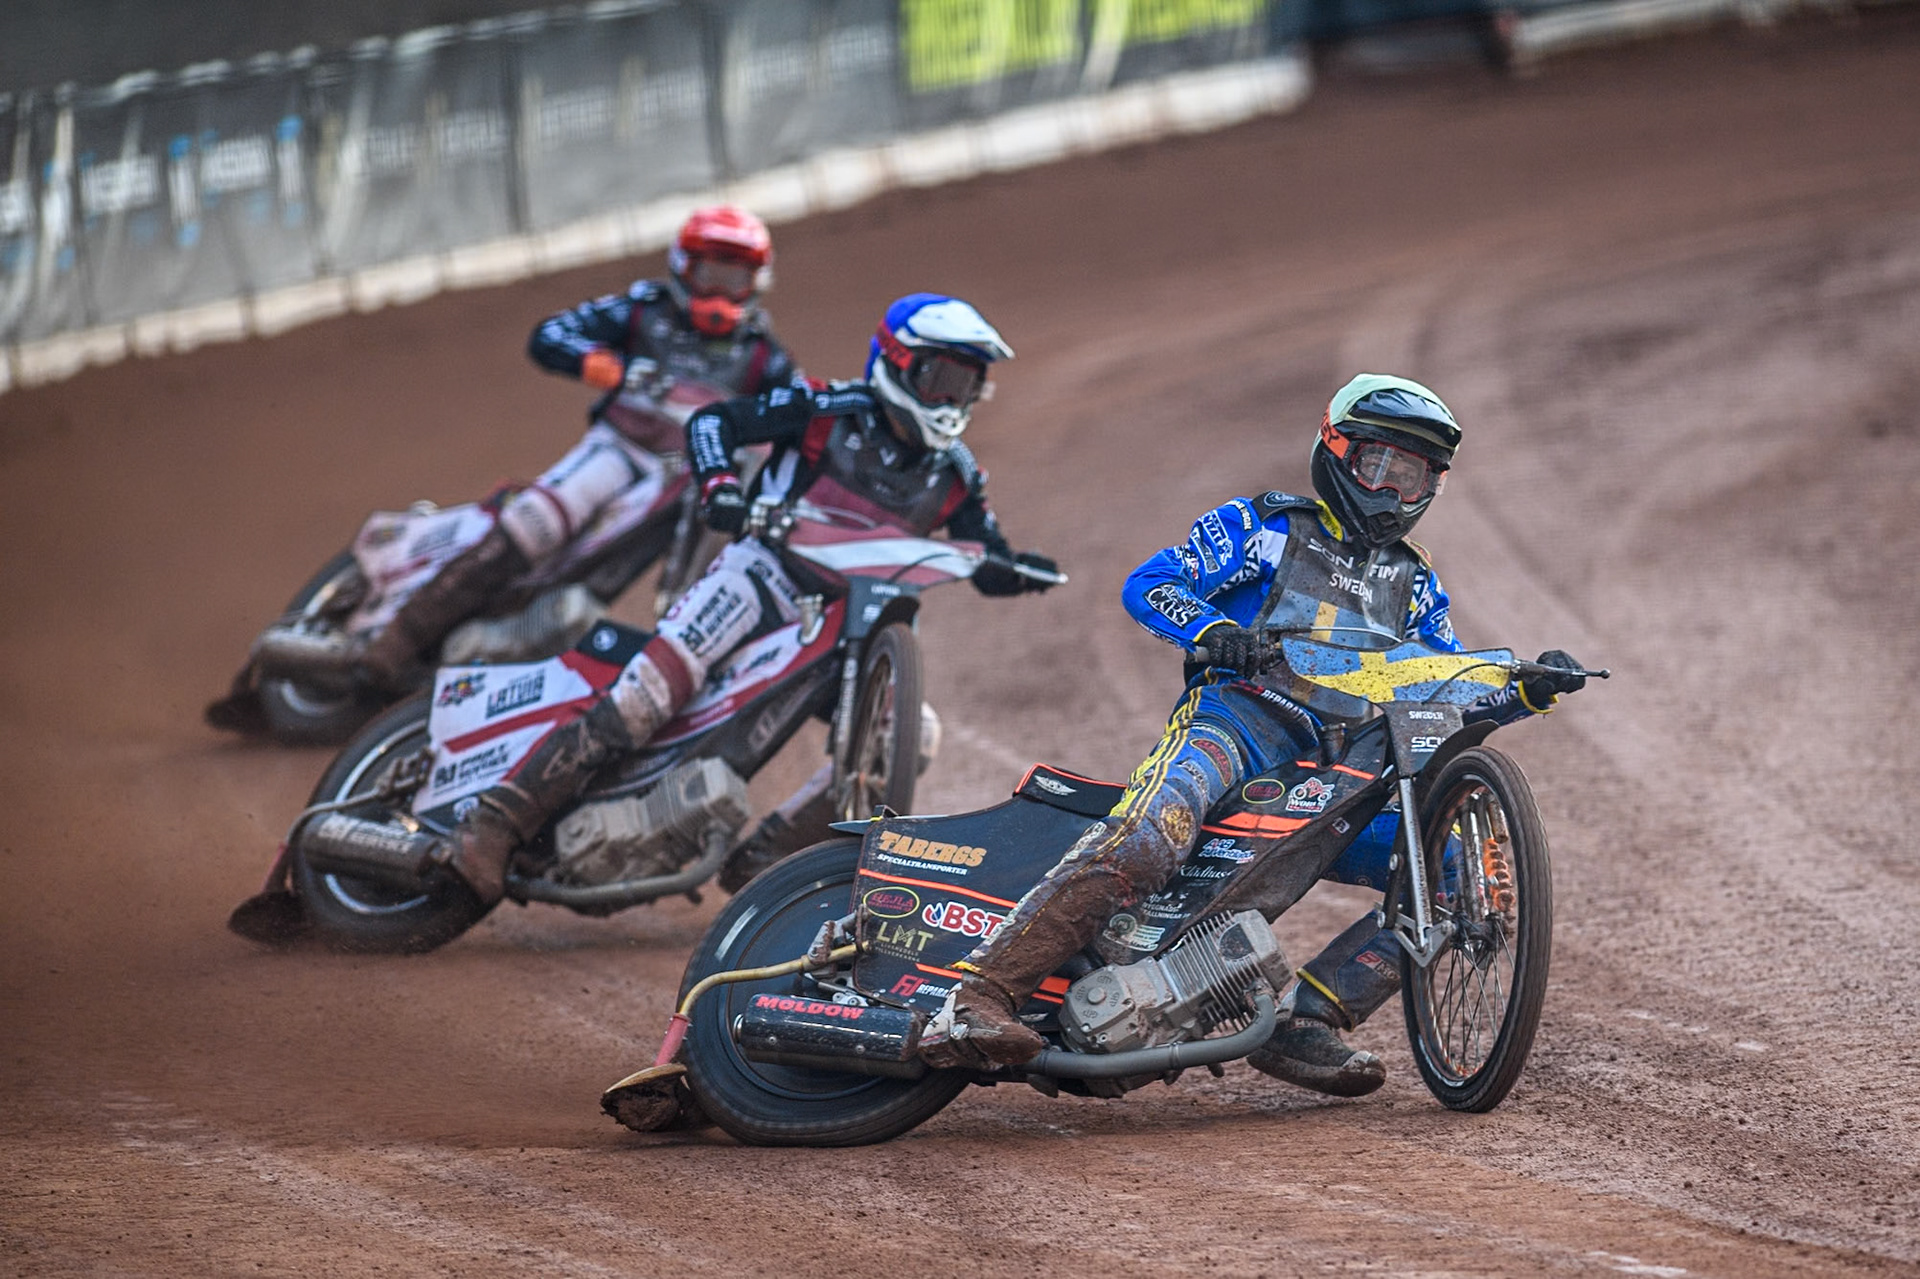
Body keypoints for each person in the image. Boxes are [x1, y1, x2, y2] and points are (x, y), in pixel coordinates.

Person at [920, 374, 1588, 1095]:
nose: (1392, 490)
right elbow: (1152, 581)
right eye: (1378, 466)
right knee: (1152, 832)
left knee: (1453, 871)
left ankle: (1309, 1019)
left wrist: (1523, 688)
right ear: (1335, 450)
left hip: (1337, 769)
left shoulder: (1417, 582)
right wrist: (1216, 631)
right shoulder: (1264, 525)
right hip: (1235, 721)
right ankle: (978, 996)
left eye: (1412, 475)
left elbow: (1436, 677)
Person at [421, 293, 1059, 904]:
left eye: (967, 384)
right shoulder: (824, 407)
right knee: (647, 697)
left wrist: (1016, 569)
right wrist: (721, 486)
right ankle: (496, 823)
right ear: (898, 364)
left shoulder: (957, 475)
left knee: (911, 735)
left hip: (849, 620)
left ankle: (769, 862)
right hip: (760, 577)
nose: (954, 399)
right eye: (942, 378)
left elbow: (987, 553)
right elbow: (714, 423)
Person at [349, 205, 801, 691]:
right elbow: (549, 336)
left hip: (682, 481)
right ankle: (397, 639)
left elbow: (796, 412)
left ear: (757, 282)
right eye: (711, 274)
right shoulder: (644, 311)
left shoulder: (763, 354)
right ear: (684, 267)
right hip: (619, 449)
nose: (720, 293)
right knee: (542, 524)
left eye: (735, 279)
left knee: (617, 580)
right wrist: (606, 366)